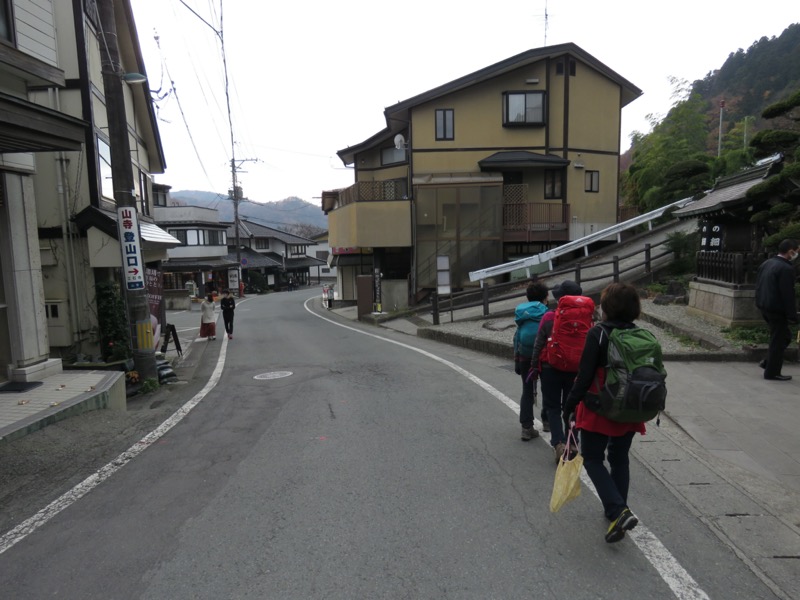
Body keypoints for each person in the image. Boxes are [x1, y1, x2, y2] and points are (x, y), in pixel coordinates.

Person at [562, 282, 646, 543]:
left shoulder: (598, 333)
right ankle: (617, 512)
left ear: (607, 307)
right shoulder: (639, 334)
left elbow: (584, 376)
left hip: (601, 405)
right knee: (620, 458)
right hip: (631, 405)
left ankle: (618, 510)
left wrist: (569, 406)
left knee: (593, 458)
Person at [530, 279, 585, 461]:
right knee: (572, 407)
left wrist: (534, 367)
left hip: (550, 368)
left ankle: (559, 443)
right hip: (576, 369)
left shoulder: (548, 317)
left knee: (553, 407)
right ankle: (573, 443)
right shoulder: (588, 318)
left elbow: (538, 344)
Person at [755, 239, 799, 381]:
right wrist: (792, 315)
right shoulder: (786, 269)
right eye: (797, 251)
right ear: (790, 251)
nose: (797, 254)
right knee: (778, 340)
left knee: (784, 337)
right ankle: (772, 372)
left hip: (765, 305)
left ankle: (768, 362)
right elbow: (787, 294)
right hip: (776, 309)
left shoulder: (767, 263)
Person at [513, 280, 549, 441]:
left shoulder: (522, 313)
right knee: (549, 389)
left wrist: (516, 359)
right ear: (545, 297)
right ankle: (547, 421)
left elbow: (517, 337)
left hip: (524, 356)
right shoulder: (547, 313)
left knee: (527, 390)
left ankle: (526, 428)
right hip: (544, 356)